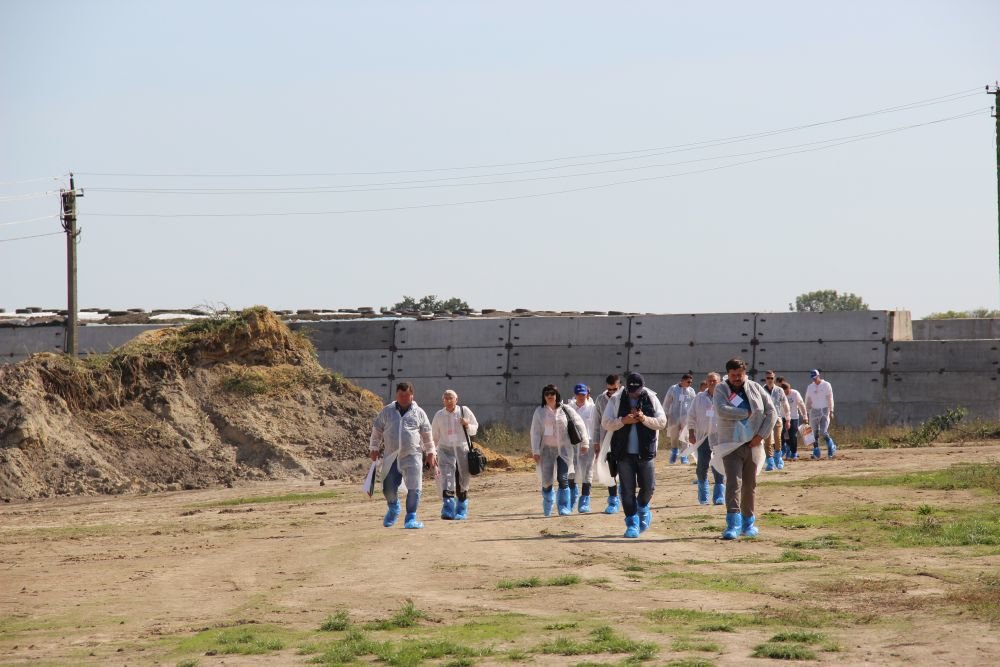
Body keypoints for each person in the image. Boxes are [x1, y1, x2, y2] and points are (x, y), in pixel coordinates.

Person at [712, 358, 776, 540]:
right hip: (730, 444)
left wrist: (761, 436)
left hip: (753, 444)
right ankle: (733, 524)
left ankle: (748, 523)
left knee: (750, 485)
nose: (736, 378)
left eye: (739, 374)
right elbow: (721, 410)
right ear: (728, 374)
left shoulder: (755, 388)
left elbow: (771, 412)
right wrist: (747, 413)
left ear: (744, 373)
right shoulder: (721, 389)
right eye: (733, 375)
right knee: (734, 483)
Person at [602, 372, 667, 538]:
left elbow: (662, 422)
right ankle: (632, 523)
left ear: (642, 387)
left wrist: (644, 419)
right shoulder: (616, 399)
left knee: (649, 488)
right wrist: (623, 421)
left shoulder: (651, 398)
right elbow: (606, 423)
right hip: (623, 454)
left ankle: (642, 508)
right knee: (627, 490)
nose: (633, 394)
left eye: (636, 391)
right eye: (631, 391)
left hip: (646, 453)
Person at [369, 382, 437, 529]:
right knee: (388, 487)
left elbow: (427, 434)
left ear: (412, 395)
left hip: (413, 456)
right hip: (391, 456)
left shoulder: (419, 413)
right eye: (401, 395)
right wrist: (374, 447)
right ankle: (393, 507)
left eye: (407, 395)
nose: (404, 398)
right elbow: (377, 430)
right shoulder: (387, 411)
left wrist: (431, 452)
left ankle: (411, 517)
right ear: (396, 395)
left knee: (414, 487)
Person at [530, 384, 589, 517]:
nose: (550, 396)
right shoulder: (539, 412)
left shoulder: (565, 409)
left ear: (557, 395)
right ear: (544, 396)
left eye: (552, 393)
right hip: (546, 451)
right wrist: (536, 451)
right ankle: (548, 503)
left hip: (564, 450)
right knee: (547, 481)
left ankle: (563, 507)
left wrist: (585, 442)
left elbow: (579, 424)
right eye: (547, 394)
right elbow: (535, 432)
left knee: (563, 478)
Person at [431, 390, 479, 521]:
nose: (448, 401)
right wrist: (432, 452)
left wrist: (467, 424)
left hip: (462, 449)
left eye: (450, 398)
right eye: (445, 399)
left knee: (463, 478)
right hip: (445, 449)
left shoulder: (464, 411)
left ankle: (461, 509)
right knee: (447, 477)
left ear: (456, 400)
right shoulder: (439, 415)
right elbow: (434, 435)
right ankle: (448, 508)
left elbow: (475, 428)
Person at [686, 372, 724, 505]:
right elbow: (691, 416)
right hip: (703, 437)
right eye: (709, 381)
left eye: (714, 381)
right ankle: (703, 494)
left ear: (719, 382)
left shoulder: (724, 397)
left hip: (719, 437)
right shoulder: (699, 398)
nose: (711, 383)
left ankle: (719, 494)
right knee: (702, 465)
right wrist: (691, 432)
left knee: (718, 464)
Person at [566, 384, 598, 513]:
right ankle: (571, 496)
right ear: (575, 395)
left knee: (587, 470)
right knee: (571, 469)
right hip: (572, 442)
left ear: (587, 395)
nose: (581, 397)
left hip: (588, 442)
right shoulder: (568, 408)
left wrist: (597, 443)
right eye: (579, 394)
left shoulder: (593, 408)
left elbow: (596, 427)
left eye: (583, 394)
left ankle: (585, 499)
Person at [593, 375, 622, 514]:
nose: (611, 392)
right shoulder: (600, 399)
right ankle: (613, 499)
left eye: (614, 389)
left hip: (623, 439)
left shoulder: (626, 397)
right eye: (609, 389)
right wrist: (596, 441)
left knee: (625, 468)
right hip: (607, 440)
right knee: (611, 469)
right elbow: (596, 422)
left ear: (620, 386)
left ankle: (625, 494)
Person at [662, 374, 697, 464]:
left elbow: (694, 404)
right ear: (682, 380)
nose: (689, 384)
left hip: (686, 417)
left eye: (691, 382)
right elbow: (667, 402)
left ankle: (684, 455)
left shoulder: (691, 391)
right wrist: (665, 414)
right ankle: (674, 452)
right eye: (688, 382)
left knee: (685, 436)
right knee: (674, 436)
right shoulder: (673, 389)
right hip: (674, 416)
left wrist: (694, 416)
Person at [762, 371, 790, 471]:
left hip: (777, 417)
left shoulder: (779, 390)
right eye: (768, 378)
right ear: (765, 379)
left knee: (778, 438)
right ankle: (770, 462)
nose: (770, 380)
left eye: (771, 378)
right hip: (766, 418)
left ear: (774, 379)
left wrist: (788, 418)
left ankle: (778, 459)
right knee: (767, 440)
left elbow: (785, 404)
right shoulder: (761, 390)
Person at [805, 369, 836, 459]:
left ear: (818, 376)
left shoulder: (826, 385)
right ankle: (816, 451)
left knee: (823, 431)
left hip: (824, 411)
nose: (814, 379)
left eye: (815, 377)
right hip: (814, 411)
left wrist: (831, 410)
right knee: (814, 433)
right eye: (812, 378)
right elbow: (808, 400)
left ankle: (831, 446)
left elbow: (830, 398)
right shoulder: (810, 387)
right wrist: (806, 412)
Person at [781, 380, 807, 460]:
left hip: (794, 417)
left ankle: (794, 452)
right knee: (781, 435)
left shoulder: (795, 394)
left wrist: (805, 416)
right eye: (785, 392)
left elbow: (801, 405)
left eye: (787, 391)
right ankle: (784, 449)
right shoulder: (780, 394)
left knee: (793, 435)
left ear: (790, 389)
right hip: (782, 417)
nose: (786, 393)